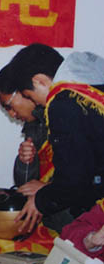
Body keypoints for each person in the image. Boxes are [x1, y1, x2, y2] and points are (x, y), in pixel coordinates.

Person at [8, 44, 104, 234]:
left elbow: (74, 179)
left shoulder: (62, 103)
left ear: (39, 81)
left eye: (29, 96)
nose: (36, 103)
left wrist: (40, 201)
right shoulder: (90, 80)